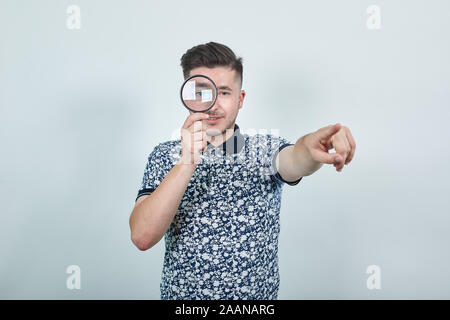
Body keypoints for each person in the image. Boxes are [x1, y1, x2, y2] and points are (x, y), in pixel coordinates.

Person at [129, 42, 356, 300]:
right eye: (202, 92)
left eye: (224, 92)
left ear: (241, 99)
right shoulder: (164, 156)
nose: (213, 104)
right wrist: (187, 162)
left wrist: (314, 144)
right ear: (187, 97)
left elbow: (296, 159)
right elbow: (142, 237)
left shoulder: (264, 150)